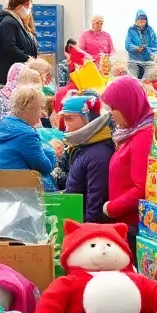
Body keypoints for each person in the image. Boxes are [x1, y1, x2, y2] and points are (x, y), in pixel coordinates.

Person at [101, 76, 155, 246]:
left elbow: (142, 188)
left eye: (113, 107)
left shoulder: (143, 137)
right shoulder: (132, 132)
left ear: (126, 105)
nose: (110, 113)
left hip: (133, 226)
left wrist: (111, 208)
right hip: (126, 223)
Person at [59, 92, 115, 223]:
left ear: (87, 118)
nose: (66, 126)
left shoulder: (97, 154)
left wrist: (87, 229)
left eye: (69, 118)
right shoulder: (83, 147)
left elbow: (95, 201)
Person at [0, 85, 56, 187]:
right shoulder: (26, 135)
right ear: (30, 109)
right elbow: (45, 167)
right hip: (19, 194)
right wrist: (52, 150)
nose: (42, 114)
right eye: (40, 108)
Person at [0, 0, 38, 85]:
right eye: (27, 6)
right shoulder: (8, 23)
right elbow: (9, 47)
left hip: (20, 73)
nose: (29, 10)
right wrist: (27, 58)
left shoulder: (18, 22)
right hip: (9, 75)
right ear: (18, 6)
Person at [123, 10, 157, 78]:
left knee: (147, 82)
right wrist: (136, 48)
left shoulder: (150, 30)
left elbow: (156, 45)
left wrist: (152, 53)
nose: (141, 24)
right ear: (136, 21)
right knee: (132, 80)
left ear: (146, 21)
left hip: (148, 62)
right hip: (133, 62)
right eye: (139, 22)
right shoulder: (131, 30)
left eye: (143, 22)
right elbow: (127, 45)